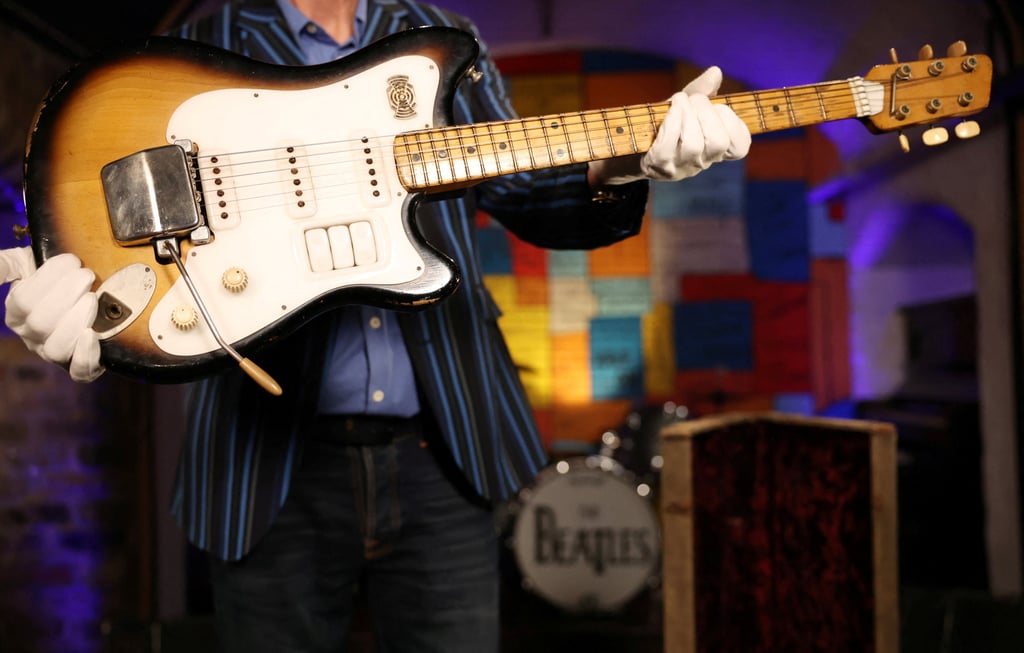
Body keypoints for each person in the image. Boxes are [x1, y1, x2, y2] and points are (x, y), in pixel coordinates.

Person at [0, 0, 751, 651]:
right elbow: (112, 204)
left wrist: (626, 164)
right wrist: (84, 295)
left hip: (444, 450)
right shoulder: (206, 36)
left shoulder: (445, 35)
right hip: (268, 466)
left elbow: (528, 190)